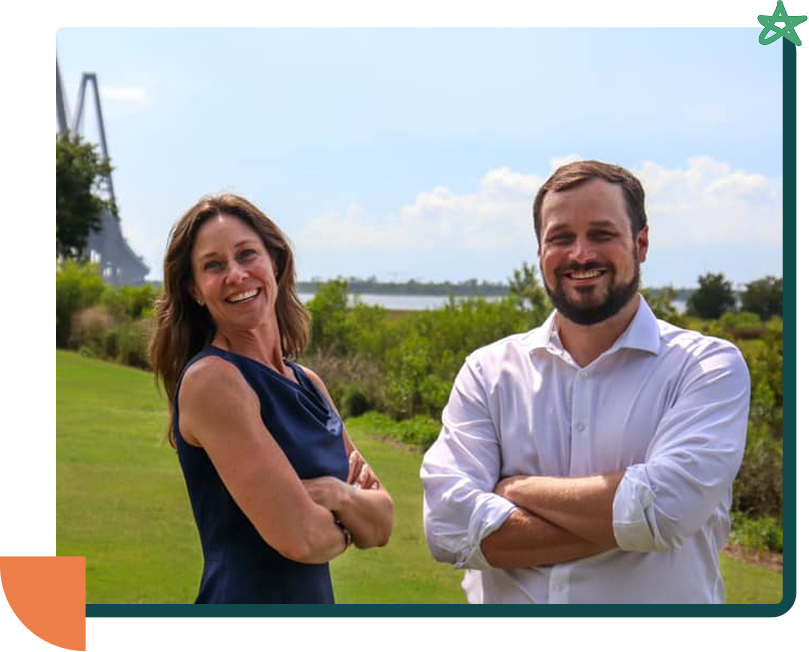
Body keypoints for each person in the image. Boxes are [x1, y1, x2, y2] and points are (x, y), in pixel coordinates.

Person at [420, 160, 750, 604]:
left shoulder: (706, 368)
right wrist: (628, 521)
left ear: (642, 242)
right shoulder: (487, 372)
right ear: (539, 251)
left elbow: (665, 511)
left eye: (601, 234)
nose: (580, 254)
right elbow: (449, 527)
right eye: (560, 237)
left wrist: (518, 490)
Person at [150, 193, 394, 603]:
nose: (236, 274)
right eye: (214, 265)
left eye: (247, 255)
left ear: (275, 263)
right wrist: (350, 518)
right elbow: (303, 539)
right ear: (194, 289)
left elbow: (383, 522)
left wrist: (336, 495)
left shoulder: (309, 384)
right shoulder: (213, 380)